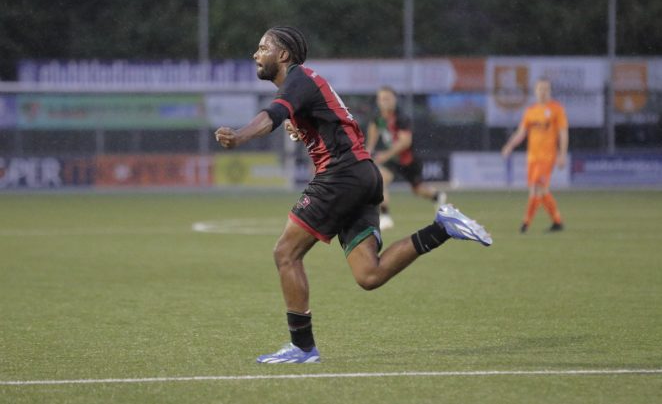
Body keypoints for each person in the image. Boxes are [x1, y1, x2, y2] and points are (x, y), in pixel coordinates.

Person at [215, 26, 492, 364]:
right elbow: (321, 119)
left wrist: (239, 136)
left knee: (286, 253)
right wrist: (299, 125)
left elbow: (271, 116)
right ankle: (442, 227)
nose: (255, 54)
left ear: (283, 55)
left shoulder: (298, 79)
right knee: (369, 275)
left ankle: (302, 347)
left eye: (263, 48)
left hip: (341, 174)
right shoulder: (306, 84)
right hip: (363, 174)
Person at [365, 86, 446, 230]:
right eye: (381, 99)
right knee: (380, 179)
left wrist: (385, 155)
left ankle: (437, 196)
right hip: (392, 160)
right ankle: (385, 216)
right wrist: (368, 151)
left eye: (387, 98)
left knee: (418, 190)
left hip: (408, 160)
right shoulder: (377, 117)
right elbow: (373, 130)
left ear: (394, 100)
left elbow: (405, 142)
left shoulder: (401, 118)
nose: (384, 102)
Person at [501, 78, 568, 233]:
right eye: (540, 89)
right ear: (535, 91)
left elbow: (563, 132)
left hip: (547, 157)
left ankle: (525, 224)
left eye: (546, 89)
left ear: (550, 91)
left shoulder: (557, 109)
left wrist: (562, 154)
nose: (543, 92)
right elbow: (521, 132)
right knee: (541, 190)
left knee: (537, 188)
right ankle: (557, 222)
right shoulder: (530, 111)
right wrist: (509, 146)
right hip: (532, 158)